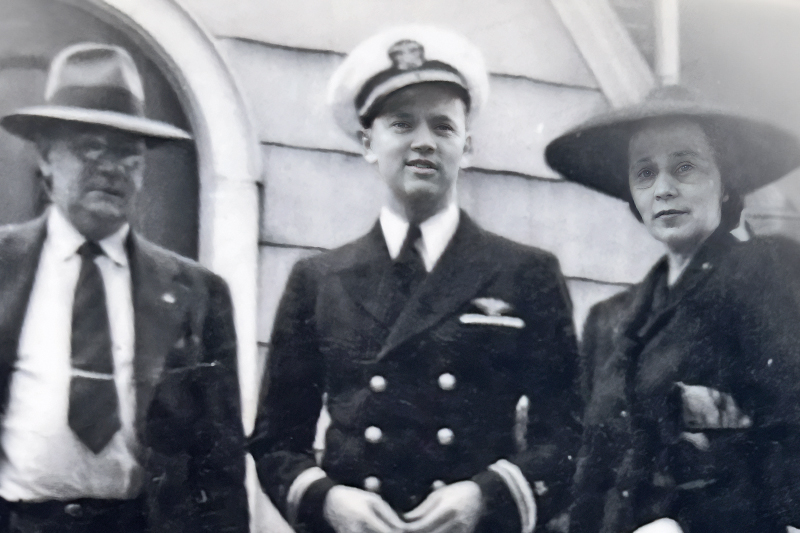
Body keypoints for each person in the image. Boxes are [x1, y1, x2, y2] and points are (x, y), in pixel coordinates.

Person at [250, 25, 582, 533]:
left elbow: (567, 436)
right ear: (368, 142)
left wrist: (486, 495)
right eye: (402, 125)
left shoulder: (525, 273)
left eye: (442, 127)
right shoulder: (319, 280)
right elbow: (275, 442)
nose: (423, 142)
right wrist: (329, 501)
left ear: (467, 147)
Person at [0, 43, 249, 532]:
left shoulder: (198, 293)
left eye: (128, 155)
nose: (110, 167)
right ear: (47, 157)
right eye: (90, 147)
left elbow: (220, 467)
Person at [545, 85, 800, 533]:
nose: (663, 189)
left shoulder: (765, 273)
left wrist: (690, 526)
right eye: (644, 173)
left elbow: (790, 435)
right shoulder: (609, 320)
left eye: (685, 167)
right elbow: (588, 473)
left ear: (725, 184)